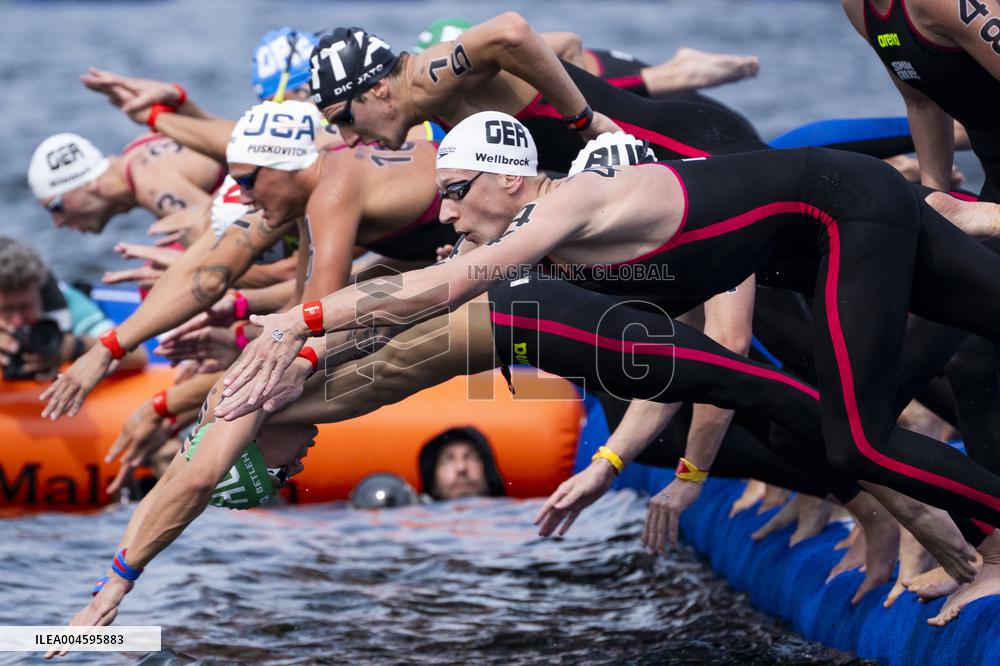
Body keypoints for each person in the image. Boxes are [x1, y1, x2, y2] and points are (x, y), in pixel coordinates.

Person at [225, 113, 1000, 623]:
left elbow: (454, 283)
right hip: (830, 231)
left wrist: (303, 317)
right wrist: (294, 360)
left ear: (505, 178)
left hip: (843, 212)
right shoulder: (565, 252)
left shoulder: (564, 207)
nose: (450, 216)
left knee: (855, 442)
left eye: (456, 197)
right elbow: (667, 365)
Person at [0, 237, 146, 381]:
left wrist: (76, 346)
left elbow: (138, 356)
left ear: (39, 290)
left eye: (25, 307)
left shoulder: (72, 305)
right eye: (6, 309)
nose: (17, 320)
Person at [28, 130, 223, 234]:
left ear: (88, 183)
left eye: (55, 207)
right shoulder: (138, 149)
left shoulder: (151, 184)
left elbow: (231, 242)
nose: (57, 223)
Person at [418, 426, 506, 500]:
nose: (461, 468)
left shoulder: (513, 514)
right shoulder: (414, 517)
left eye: (472, 457)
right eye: (447, 460)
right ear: (432, 479)